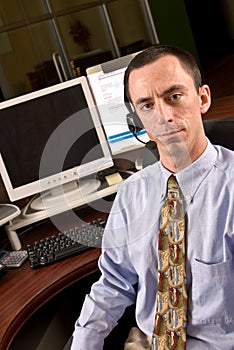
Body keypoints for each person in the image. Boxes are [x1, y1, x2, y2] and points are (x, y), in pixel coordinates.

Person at [70, 44, 234, 349]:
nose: (163, 116)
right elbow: (113, 285)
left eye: (174, 97)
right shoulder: (132, 193)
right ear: (137, 120)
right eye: (146, 105)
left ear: (203, 98)